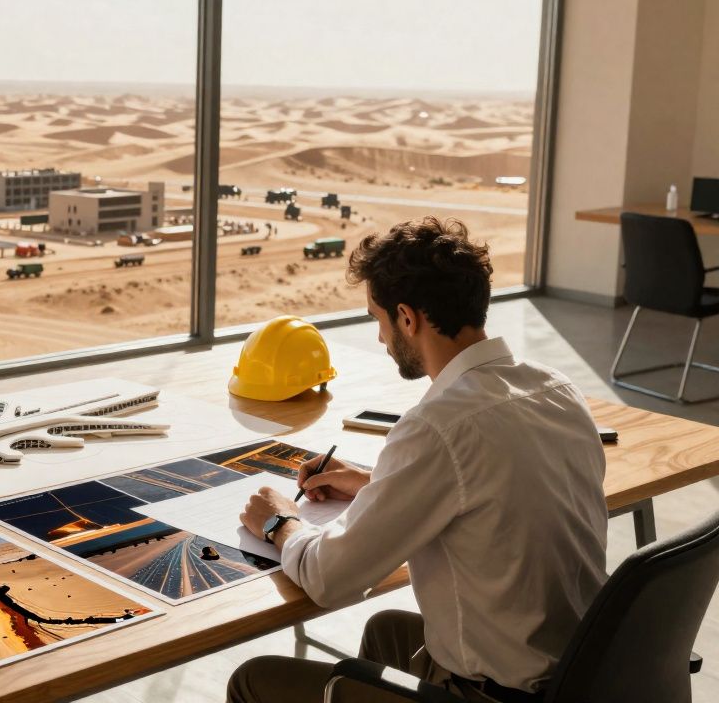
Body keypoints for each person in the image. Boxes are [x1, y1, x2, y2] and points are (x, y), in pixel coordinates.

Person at [232, 218, 607, 703]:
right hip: (584, 673)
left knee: (254, 678)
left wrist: (278, 522)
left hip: (494, 695)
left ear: (407, 318)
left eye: (377, 319)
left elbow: (330, 579)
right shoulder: (557, 389)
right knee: (388, 631)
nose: (381, 339)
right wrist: (373, 483)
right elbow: (495, 488)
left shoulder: (436, 428)